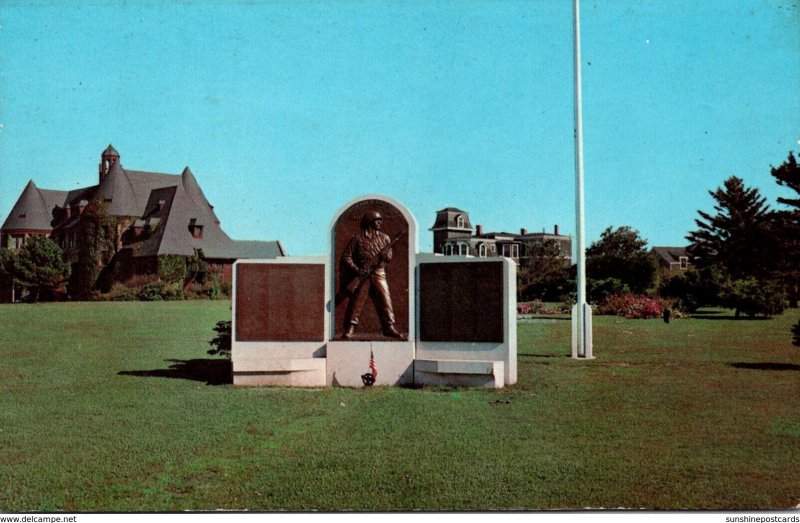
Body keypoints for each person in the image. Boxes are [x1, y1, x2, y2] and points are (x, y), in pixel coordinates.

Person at [340, 211, 402, 339]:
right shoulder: (357, 238)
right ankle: (350, 327)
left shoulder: (385, 238)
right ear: (370, 221)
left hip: (379, 272)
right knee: (357, 301)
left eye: (380, 220)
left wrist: (386, 255)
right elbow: (346, 257)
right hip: (363, 274)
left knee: (385, 299)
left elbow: (389, 257)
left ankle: (389, 327)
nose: (380, 223)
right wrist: (357, 270)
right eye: (377, 220)